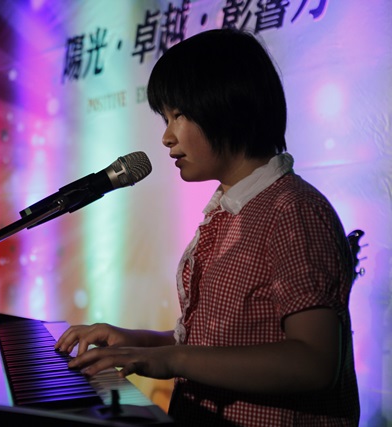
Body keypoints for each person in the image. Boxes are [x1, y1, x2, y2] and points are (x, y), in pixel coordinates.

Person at [54, 28, 360, 426]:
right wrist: (138, 342)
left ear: (228, 104)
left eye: (178, 115)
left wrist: (170, 359)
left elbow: (313, 362)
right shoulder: (232, 209)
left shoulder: (293, 209)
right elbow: (220, 345)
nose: (167, 137)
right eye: (166, 118)